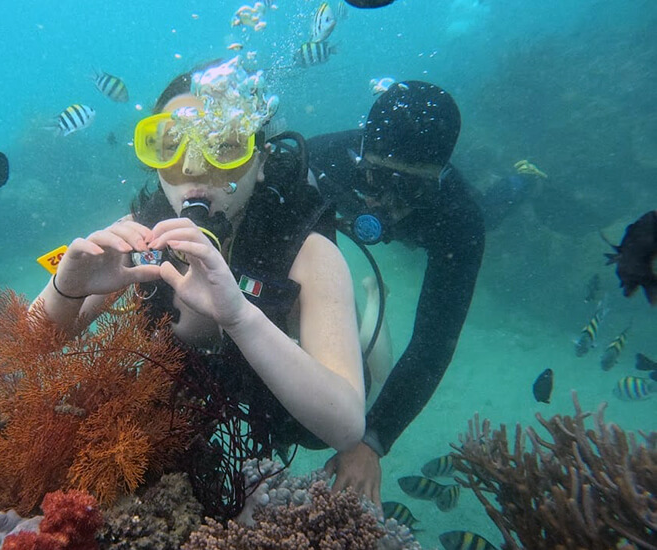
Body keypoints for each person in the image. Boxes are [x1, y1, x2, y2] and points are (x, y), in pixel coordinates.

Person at [31, 59, 367, 510]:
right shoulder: (136, 236)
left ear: (260, 161)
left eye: (225, 147)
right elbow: (28, 344)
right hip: (191, 388)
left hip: (281, 393)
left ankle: (371, 315)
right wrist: (66, 289)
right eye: (170, 146)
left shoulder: (307, 252)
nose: (193, 169)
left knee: (323, 411)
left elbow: (346, 427)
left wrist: (241, 317)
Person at [308, 81, 485, 504]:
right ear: (360, 157)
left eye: (411, 189)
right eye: (378, 178)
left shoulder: (460, 218)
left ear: (439, 179)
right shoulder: (322, 160)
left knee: (497, 208)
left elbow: (434, 342)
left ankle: (521, 184)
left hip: (433, 229)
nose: (386, 201)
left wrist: (373, 440)